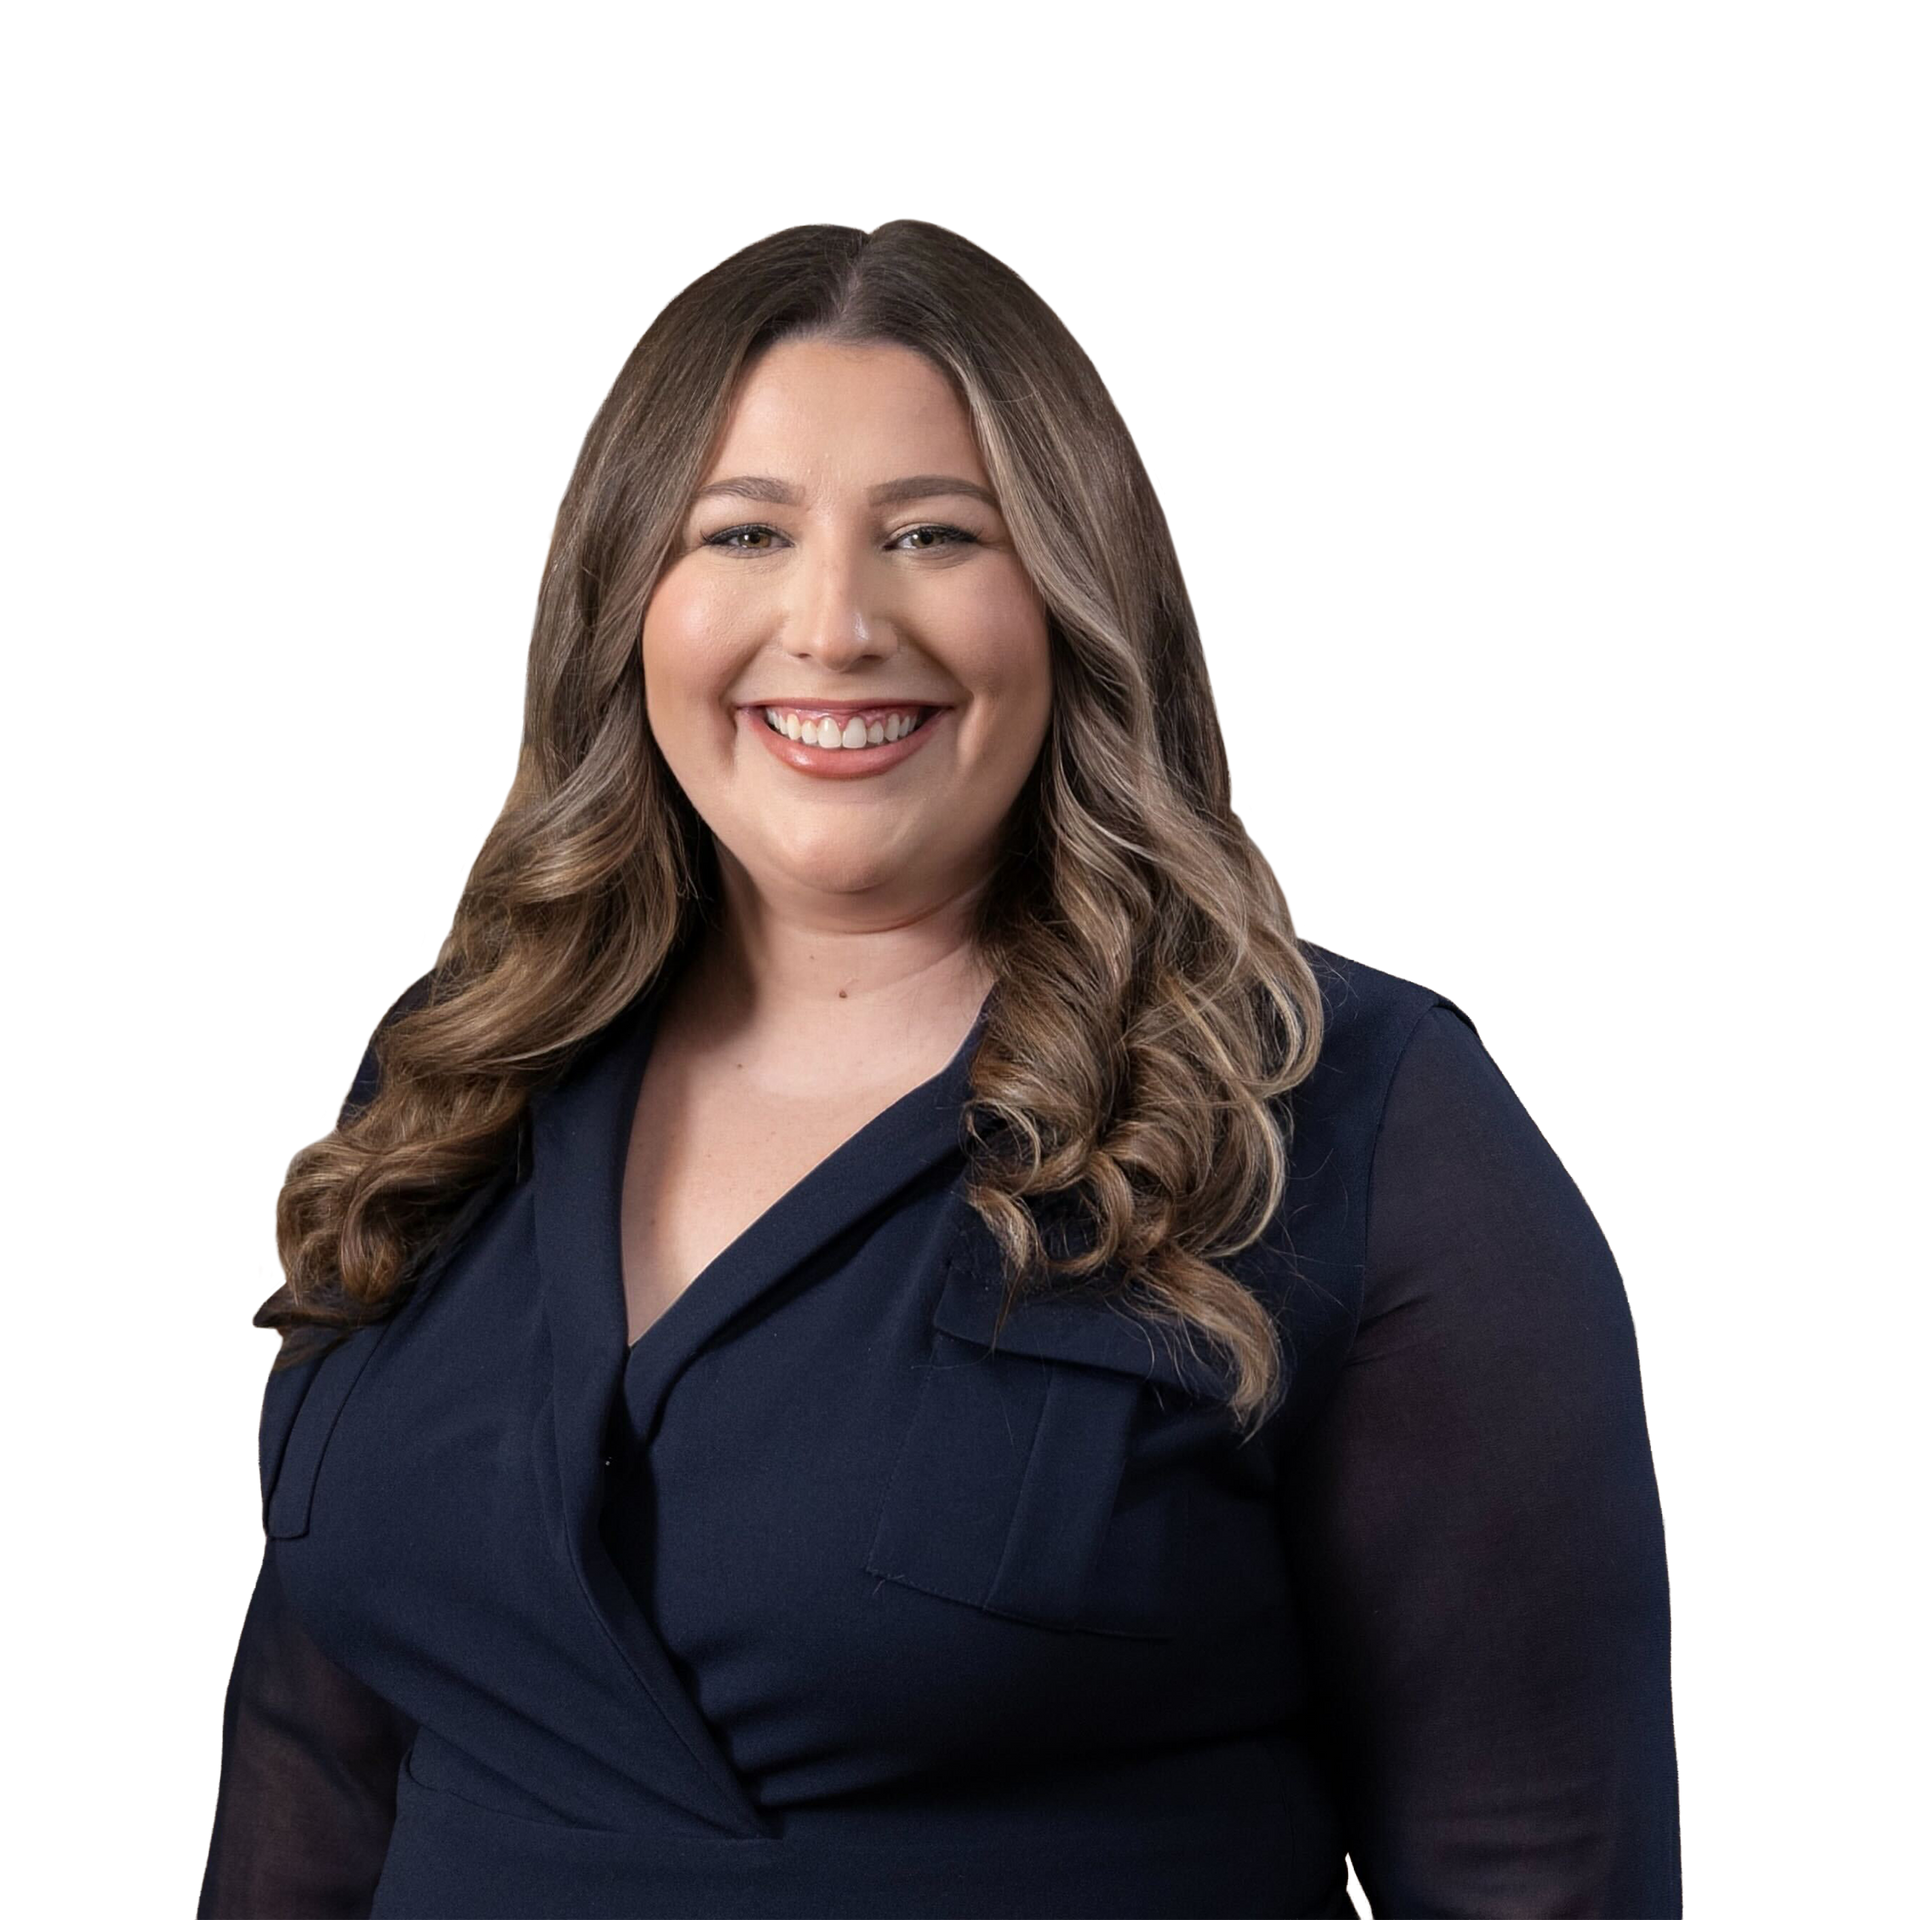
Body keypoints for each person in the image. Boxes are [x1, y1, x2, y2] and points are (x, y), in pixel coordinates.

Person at [195, 218, 1683, 1918]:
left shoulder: (1358, 1119)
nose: (834, 625)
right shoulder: (462, 1070)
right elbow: (315, 1768)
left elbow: (1539, 1879)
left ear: (1070, 598)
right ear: (625, 601)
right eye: (743, 532)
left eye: (934, 534)